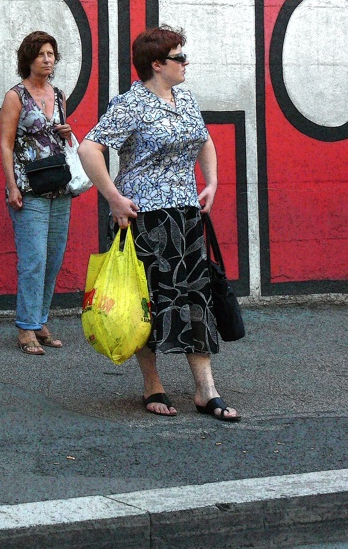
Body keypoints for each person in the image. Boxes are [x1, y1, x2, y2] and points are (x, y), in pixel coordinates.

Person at [77, 26, 239, 421]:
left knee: (196, 298)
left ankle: (206, 389)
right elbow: (88, 147)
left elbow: (203, 139)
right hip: (143, 218)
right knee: (146, 301)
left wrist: (212, 181)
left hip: (186, 216)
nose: (186, 62)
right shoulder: (132, 104)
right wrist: (113, 197)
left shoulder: (185, 98)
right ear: (156, 64)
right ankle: (152, 384)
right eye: (179, 57)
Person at [0, 31, 74, 356]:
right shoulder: (15, 96)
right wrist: (12, 186)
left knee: (53, 260)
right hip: (28, 190)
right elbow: (6, 144)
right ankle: (25, 328)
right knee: (33, 260)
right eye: (41, 54)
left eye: (51, 54)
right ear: (28, 59)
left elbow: (59, 141)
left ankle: (40, 321)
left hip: (59, 188)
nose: (47, 59)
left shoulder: (59, 95)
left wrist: (67, 132)